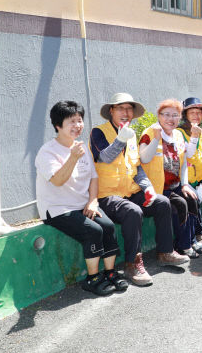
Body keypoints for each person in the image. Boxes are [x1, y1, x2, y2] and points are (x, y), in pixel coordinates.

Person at [90, 93, 188, 287]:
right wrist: (120, 139)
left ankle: (165, 252)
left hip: (130, 191)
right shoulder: (98, 132)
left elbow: (137, 167)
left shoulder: (132, 134)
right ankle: (132, 264)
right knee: (132, 212)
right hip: (106, 195)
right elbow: (105, 158)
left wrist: (148, 188)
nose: (126, 113)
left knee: (161, 202)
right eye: (120, 108)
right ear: (111, 111)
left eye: (129, 109)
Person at [36, 101, 127, 296]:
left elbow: (94, 177)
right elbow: (58, 181)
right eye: (72, 121)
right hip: (58, 209)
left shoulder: (81, 147)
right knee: (93, 231)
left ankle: (109, 273)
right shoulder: (47, 152)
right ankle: (92, 278)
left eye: (80, 121)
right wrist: (73, 158)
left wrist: (93, 200)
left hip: (82, 205)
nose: (77, 125)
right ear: (58, 125)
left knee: (108, 226)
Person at [140, 99, 201, 259]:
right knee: (180, 204)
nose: (170, 119)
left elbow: (186, 158)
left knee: (192, 198)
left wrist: (186, 184)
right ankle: (184, 246)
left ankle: (190, 240)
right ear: (158, 116)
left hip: (175, 184)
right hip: (157, 188)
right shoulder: (149, 132)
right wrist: (155, 138)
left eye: (175, 115)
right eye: (166, 115)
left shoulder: (178, 134)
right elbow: (144, 159)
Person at [176, 97, 202, 253]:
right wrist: (194, 137)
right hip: (184, 180)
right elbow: (188, 156)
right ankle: (197, 236)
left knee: (196, 205)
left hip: (198, 180)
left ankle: (198, 235)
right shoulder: (178, 133)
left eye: (199, 113)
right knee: (192, 204)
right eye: (192, 113)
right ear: (185, 115)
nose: (196, 116)